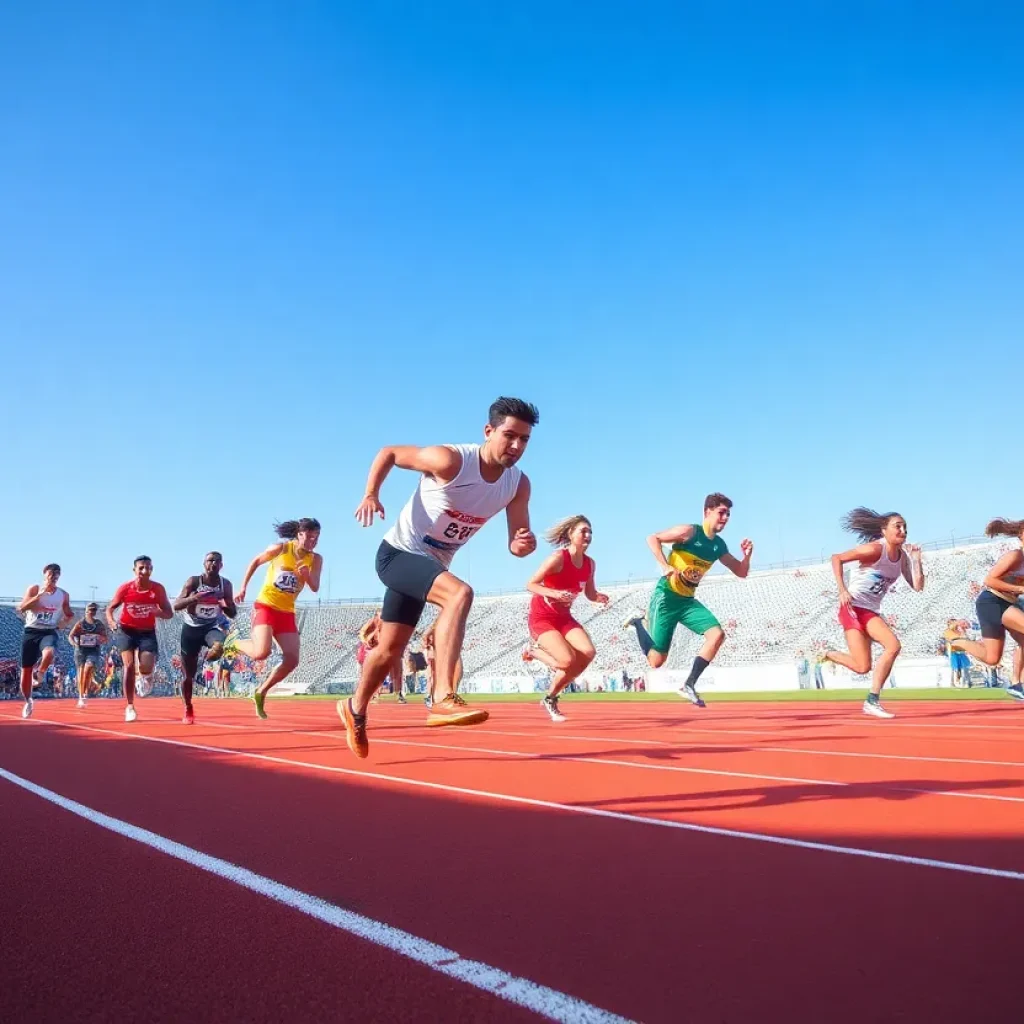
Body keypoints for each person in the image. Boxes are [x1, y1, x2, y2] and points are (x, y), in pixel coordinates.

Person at [339, 396, 539, 757]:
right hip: (397, 555)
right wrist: (371, 494)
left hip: (431, 566)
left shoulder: (517, 485)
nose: (516, 446)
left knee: (389, 650)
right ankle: (443, 695)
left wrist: (522, 543)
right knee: (459, 594)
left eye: (524, 440)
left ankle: (354, 709)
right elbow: (388, 452)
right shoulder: (450, 461)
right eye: (509, 435)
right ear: (488, 431)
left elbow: (516, 539)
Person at [623, 494, 753, 707]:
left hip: (687, 602)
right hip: (666, 597)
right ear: (707, 512)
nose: (725, 517)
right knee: (656, 661)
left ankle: (689, 684)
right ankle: (638, 623)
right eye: (721, 512)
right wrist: (665, 565)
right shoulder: (690, 532)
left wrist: (747, 555)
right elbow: (652, 538)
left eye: (728, 514)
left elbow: (741, 572)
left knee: (717, 634)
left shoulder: (718, 546)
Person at [819, 508, 925, 719]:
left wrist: (916, 560)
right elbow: (836, 558)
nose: (903, 530)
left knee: (876, 657)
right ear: (884, 530)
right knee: (866, 664)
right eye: (898, 526)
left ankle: (871, 700)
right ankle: (830, 655)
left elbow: (918, 586)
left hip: (870, 610)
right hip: (853, 607)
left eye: (905, 527)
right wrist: (842, 589)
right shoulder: (875, 550)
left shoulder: (902, 557)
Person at [232, 519, 323, 719]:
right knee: (261, 653)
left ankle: (261, 691)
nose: (312, 541)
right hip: (266, 606)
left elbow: (315, 587)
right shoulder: (281, 549)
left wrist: (306, 575)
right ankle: (234, 643)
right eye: (309, 537)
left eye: (316, 538)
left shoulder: (316, 559)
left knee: (292, 660)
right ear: (299, 534)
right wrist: (243, 587)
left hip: (287, 612)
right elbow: (256, 561)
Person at [523, 515, 609, 722]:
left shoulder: (590, 564)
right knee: (566, 660)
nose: (588, 535)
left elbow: (589, 593)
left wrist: (598, 597)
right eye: (583, 531)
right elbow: (531, 584)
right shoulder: (558, 558)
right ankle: (532, 651)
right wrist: (555, 594)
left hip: (563, 618)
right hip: (542, 617)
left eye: (590, 532)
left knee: (587, 652)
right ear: (571, 534)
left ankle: (550, 698)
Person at [950, 518, 1024, 701]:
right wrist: (1020, 589)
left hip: (1008, 603)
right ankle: (957, 641)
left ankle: (1017, 684)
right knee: (992, 659)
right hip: (991, 601)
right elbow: (989, 580)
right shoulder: (1015, 556)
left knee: (1002, 653)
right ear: (1022, 536)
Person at [106, 556, 174, 722]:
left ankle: (146, 676)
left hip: (146, 632)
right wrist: (112, 622)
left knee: (146, 664)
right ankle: (130, 706)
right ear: (134, 570)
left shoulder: (157, 589)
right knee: (129, 666)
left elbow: (169, 613)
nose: (145, 571)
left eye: (148, 568)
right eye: (141, 568)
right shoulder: (126, 588)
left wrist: (157, 612)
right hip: (126, 630)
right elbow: (110, 608)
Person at [172, 552, 237, 724]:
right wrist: (194, 598)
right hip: (191, 630)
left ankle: (209, 657)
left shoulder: (225, 585)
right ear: (204, 564)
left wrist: (226, 604)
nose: (213, 563)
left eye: (217, 561)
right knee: (188, 676)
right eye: (210, 560)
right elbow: (176, 605)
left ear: (221, 565)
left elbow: (233, 613)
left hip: (210, 627)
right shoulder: (193, 582)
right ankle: (188, 707)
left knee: (218, 645)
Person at [17, 564, 74, 719]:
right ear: (44, 574)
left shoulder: (63, 595)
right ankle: (28, 701)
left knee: (49, 652)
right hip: (31, 631)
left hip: (48, 631)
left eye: (57, 573)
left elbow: (69, 613)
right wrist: (38, 596)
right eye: (51, 573)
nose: (54, 576)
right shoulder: (34, 589)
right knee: (25, 670)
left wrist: (64, 622)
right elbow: (21, 608)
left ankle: (40, 673)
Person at [68, 602, 109, 709]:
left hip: (93, 650)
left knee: (89, 668)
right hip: (80, 650)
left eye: (94, 610)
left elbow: (105, 638)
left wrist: (99, 639)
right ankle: (82, 696)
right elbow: (71, 636)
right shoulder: (80, 624)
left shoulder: (99, 624)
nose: (92, 612)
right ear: (86, 611)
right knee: (81, 672)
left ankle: (85, 691)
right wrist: (74, 643)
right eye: (90, 610)